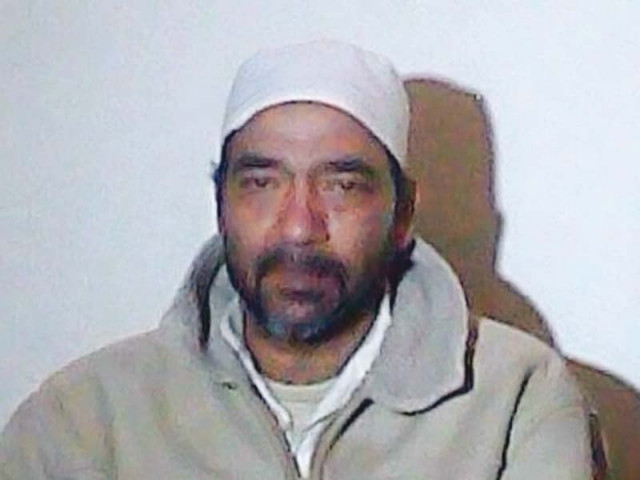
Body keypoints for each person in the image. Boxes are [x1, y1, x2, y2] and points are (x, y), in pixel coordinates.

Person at [1, 40, 593, 479]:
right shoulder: (81, 419)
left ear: (403, 215)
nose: (299, 227)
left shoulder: (517, 401)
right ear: (221, 206)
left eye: (342, 185)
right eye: (262, 183)